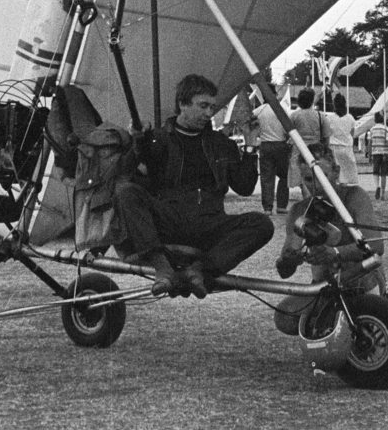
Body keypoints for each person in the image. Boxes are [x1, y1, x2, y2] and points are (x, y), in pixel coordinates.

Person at [113, 74, 274, 297]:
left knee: (262, 224)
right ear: (183, 104)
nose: (209, 113)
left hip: (210, 224)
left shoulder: (221, 144)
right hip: (169, 220)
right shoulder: (158, 139)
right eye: (203, 106)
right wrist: (137, 141)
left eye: (212, 107)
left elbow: (245, 187)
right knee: (125, 191)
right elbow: (124, 173)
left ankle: (199, 271)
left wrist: (250, 147)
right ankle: (163, 268)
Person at [274, 143, 388, 299]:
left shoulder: (354, 197)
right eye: (308, 179)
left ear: (336, 172)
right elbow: (285, 272)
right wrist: (288, 260)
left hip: (361, 281)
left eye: (322, 177)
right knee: (285, 317)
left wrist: (336, 253)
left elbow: (376, 245)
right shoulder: (299, 210)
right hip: (324, 285)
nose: (315, 185)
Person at [252, 96, 291, 214]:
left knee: (267, 177)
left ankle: (268, 208)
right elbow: (289, 126)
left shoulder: (258, 111)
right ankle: (281, 206)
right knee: (284, 176)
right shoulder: (282, 108)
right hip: (281, 145)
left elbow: (251, 124)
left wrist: (259, 135)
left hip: (265, 145)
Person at [287, 89, 326, 199]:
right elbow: (327, 135)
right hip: (315, 149)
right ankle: (313, 200)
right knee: (314, 175)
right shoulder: (320, 116)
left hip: (298, 149)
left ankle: (307, 199)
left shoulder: (294, 115)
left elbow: (288, 133)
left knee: (302, 178)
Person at [319, 90, 360, 185]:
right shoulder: (350, 118)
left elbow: (326, 134)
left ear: (334, 104)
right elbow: (352, 134)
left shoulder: (329, 118)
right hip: (346, 148)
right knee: (349, 176)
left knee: (335, 176)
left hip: (333, 148)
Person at [367, 111, 388, 200]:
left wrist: (369, 154)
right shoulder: (386, 129)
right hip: (385, 153)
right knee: (384, 174)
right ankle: (383, 193)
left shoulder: (372, 129)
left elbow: (369, 143)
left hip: (375, 152)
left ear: (375, 120)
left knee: (375, 172)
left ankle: (377, 186)